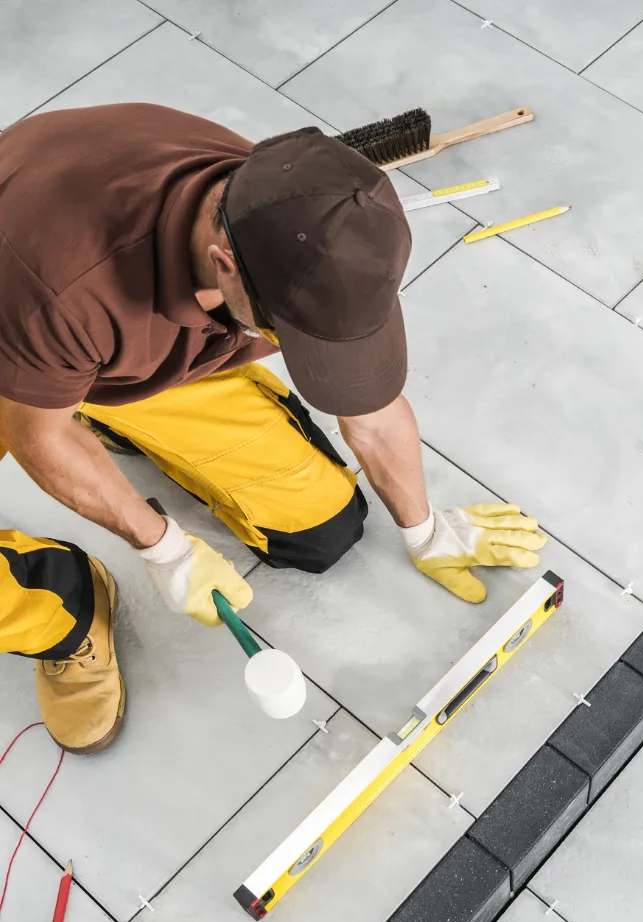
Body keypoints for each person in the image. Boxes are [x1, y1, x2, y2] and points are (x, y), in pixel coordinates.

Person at [0, 103, 545, 754]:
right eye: (288, 335)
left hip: (110, 350)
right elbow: (40, 439)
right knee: (49, 410)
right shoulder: (62, 293)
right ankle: (59, 604)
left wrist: (425, 530)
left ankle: (104, 400)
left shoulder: (290, 211)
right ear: (222, 265)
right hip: (22, 325)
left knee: (318, 532)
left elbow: (370, 414)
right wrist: (164, 549)